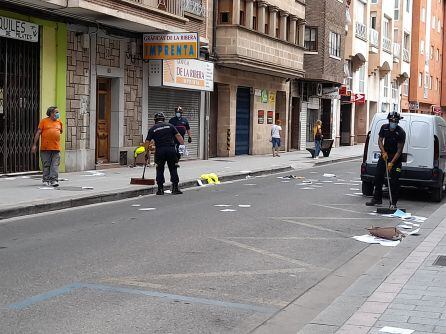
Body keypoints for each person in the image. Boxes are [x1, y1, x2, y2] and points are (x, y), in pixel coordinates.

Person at [366, 111, 406, 208]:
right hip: (385, 156)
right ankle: (377, 198)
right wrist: (383, 152)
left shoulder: (401, 132)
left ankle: (393, 203)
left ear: (398, 122)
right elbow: (380, 140)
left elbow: (399, 150)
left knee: (394, 181)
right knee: (378, 177)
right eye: (391, 121)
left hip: (395, 158)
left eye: (395, 121)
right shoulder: (384, 128)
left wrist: (391, 163)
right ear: (389, 120)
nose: (393, 123)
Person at [145, 112, 185, 195]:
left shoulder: (152, 129)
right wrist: (182, 146)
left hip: (160, 151)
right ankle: (175, 188)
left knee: (159, 169)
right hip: (170, 150)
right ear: (163, 119)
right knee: (173, 168)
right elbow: (178, 136)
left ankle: (160, 189)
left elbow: (147, 142)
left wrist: (146, 153)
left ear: (155, 120)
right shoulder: (170, 126)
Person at [31, 106, 63, 187]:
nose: (58, 114)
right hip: (45, 148)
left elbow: (59, 132)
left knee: (55, 165)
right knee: (46, 165)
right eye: (56, 112)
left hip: (56, 148)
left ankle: (54, 180)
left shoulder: (59, 122)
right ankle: (46, 179)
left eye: (57, 112)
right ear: (51, 113)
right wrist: (34, 145)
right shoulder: (44, 121)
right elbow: (38, 133)